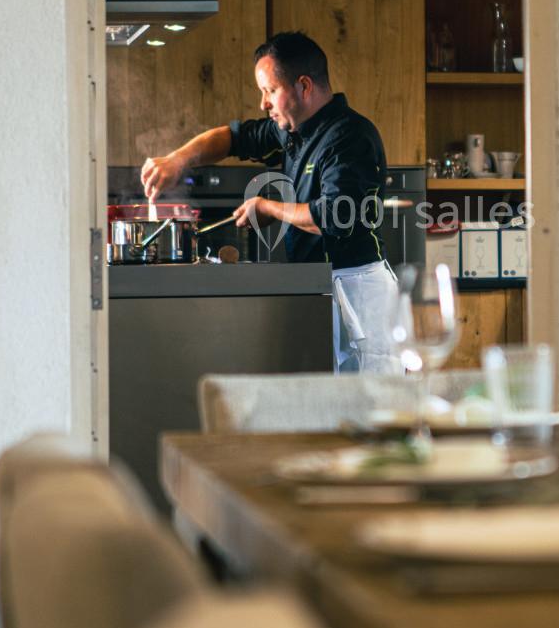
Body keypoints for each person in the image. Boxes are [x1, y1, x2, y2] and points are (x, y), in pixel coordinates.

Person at [140, 31, 401, 374]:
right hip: (320, 286)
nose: (263, 103)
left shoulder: (349, 137)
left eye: (270, 91)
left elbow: (334, 217)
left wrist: (268, 207)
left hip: (358, 293)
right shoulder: (292, 129)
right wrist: (178, 160)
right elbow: (233, 138)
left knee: (370, 402)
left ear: (303, 86)